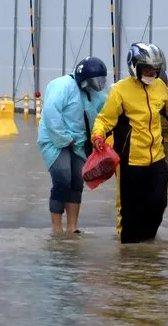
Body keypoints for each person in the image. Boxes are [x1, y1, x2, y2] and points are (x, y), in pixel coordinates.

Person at [91, 42, 168, 244]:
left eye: (155, 70)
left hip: (157, 159)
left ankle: (148, 243)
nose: (152, 73)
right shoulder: (120, 90)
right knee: (129, 210)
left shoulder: (160, 88)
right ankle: (128, 254)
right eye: (147, 68)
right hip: (129, 160)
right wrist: (98, 136)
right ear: (135, 66)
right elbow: (105, 119)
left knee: (159, 202)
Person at [37, 56, 109, 235]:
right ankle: (56, 229)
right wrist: (63, 138)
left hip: (79, 142)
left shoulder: (97, 93)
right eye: (95, 81)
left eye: (101, 81)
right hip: (54, 139)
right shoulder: (63, 86)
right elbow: (51, 114)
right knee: (62, 177)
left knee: (77, 180)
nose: (98, 84)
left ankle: (72, 228)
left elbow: (105, 114)